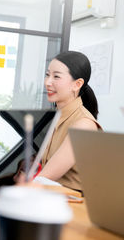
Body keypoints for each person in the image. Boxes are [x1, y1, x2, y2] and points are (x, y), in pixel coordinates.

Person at [37, 51, 102, 192]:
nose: (48, 82)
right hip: (50, 199)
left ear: (77, 84)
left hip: (73, 207)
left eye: (56, 76)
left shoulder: (84, 124)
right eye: (47, 75)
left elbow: (45, 177)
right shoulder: (54, 118)